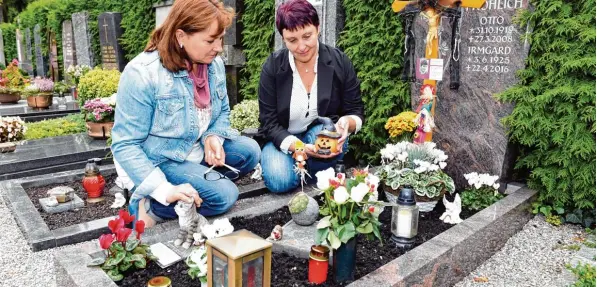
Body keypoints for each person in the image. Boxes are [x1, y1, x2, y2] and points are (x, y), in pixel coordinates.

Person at [111, 0, 260, 227]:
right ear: (181, 37)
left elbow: (222, 113)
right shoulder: (142, 74)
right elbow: (125, 145)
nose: (219, 47)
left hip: (194, 150)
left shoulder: (214, 65)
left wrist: (212, 137)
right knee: (224, 195)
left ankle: (196, 182)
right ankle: (150, 205)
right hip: (160, 161)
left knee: (250, 151)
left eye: (220, 38)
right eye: (210, 40)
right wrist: (163, 189)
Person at [257, 0, 365, 193]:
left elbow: (356, 110)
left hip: (318, 134)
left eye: (307, 36)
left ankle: (305, 169)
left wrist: (347, 123)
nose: (301, 46)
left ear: (318, 27)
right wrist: (298, 147)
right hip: (282, 138)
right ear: (283, 38)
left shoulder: (339, 61)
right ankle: (308, 169)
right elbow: (268, 123)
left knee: (327, 131)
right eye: (292, 40)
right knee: (279, 182)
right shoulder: (273, 67)